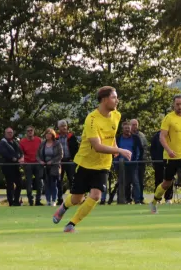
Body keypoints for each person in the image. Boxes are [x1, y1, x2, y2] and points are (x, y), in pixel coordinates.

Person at [53, 86, 132, 232]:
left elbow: (111, 134)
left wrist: (114, 145)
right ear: (104, 99)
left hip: (103, 165)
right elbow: (97, 146)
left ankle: (71, 224)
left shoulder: (117, 115)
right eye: (114, 97)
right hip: (85, 163)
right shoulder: (92, 119)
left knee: (95, 196)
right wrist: (119, 150)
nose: (117, 101)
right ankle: (64, 206)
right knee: (77, 199)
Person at [114, 120, 143, 203]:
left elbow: (140, 150)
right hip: (121, 164)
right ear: (122, 129)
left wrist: (136, 160)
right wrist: (116, 162)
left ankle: (137, 200)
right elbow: (115, 150)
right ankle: (123, 200)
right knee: (122, 183)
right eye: (125, 128)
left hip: (133, 164)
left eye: (128, 128)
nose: (127, 129)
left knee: (135, 182)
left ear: (130, 128)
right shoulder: (118, 138)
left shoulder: (135, 138)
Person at [37, 128, 63, 206]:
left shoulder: (57, 143)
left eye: (49, 133)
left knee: (53, 184)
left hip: (54, 167)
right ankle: (48, 200)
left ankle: (54, 200)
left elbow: (60, 155)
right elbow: (37, 155)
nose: (47, 135)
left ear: (52, 135)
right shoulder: (42, 144)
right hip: (44, 167)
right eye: (46, 133)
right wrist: (40, 161)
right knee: (46, 184)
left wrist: (52, 161)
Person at [0, 127, 24, 206]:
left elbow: (19, 151)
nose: (10, 134)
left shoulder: (14, 142)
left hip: (15, 166)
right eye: (8, 132)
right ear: (5, 133)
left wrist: (20, 158)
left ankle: (16, 201)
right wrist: (13, 158)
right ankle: (11, 202)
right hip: (7, 166)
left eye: (11, 132)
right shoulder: (3, 142)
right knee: (10, 184)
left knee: (19, 184)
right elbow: (3, 153)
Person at [56, 119, 79, 204]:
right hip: (59, 162)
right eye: (62, 126)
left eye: (65, 125)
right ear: (58, 128)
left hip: (70, 161)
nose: (64, 127)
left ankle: (74, 199)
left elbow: (76, 149)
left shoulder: (72, 137)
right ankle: (59, 199)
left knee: (72, 180)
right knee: (59, 180)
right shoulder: (56, 137)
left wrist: (74, 159)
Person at [20, 126, 43, 206]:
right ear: (26, 132)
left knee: (39, 183)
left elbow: (42, 151)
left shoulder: (39, 140)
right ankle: (30, 200)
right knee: (29, 183)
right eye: (28, 131)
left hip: (38, 164)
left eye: (31, 130)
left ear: (34, 131)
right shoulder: (22, 141)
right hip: (28, 164)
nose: (30, 132)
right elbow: (21, 153)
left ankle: (38, 200)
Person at [150, 130, 173, 203]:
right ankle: (157, 199)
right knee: (158, 180)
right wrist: (154, 160)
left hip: (170, 160)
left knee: (169, 179)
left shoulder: (172, 134)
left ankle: (168, 198)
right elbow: (152, 149)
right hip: (158, 162)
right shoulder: (156, 136)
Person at [130, 119, 147, 204]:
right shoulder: (127, 136)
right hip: (130, 162)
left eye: (136, 124)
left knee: (140, 181)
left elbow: (144, 148)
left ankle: (140, 198)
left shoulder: (141, 136)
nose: (134, 126)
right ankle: (129, 198)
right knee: (129, 181)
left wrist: (141, 159)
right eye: (133, 125)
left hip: (141, 162)